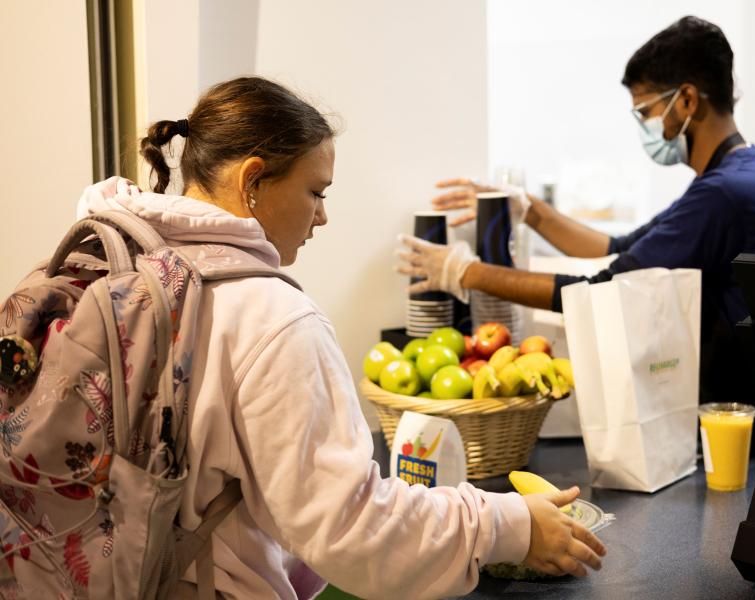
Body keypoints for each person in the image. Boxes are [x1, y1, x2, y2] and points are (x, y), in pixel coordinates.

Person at [76, 77, 604, 599]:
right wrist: (505, 526)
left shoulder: (110, 265)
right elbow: (352, 531)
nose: (322, 216)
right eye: (315, 191)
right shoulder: (269, 315)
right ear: (252, 181)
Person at [396, 16, 755, 401]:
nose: (644, 126)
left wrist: (465, 272)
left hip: (743, 413)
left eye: (645, 111)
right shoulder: (737, 175)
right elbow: (617, 245)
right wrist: (529, 211)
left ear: (687, 100)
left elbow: (604, 288)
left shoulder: (726, 193)